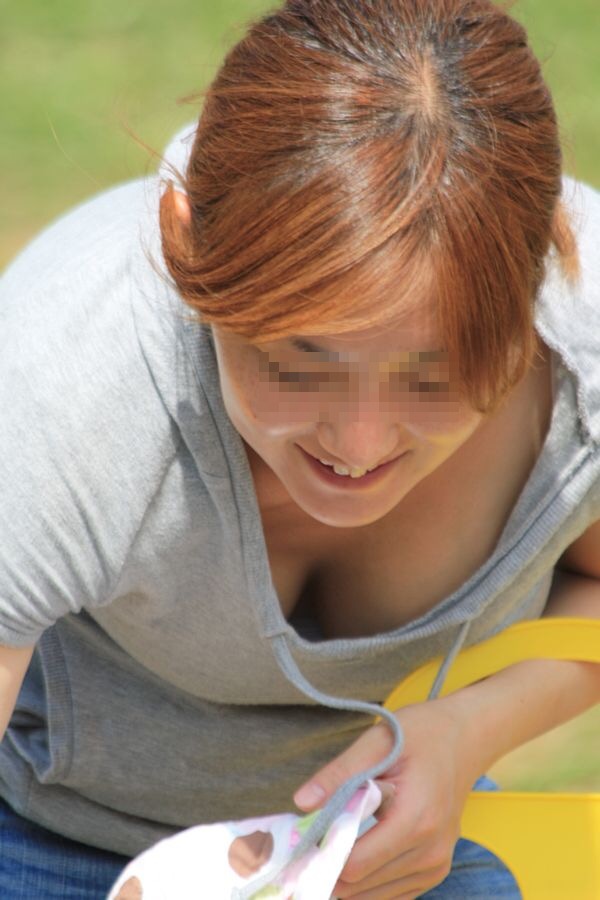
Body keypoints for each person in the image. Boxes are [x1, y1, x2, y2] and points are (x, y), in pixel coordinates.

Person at [1, 0, 600, 897]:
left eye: (434, 376)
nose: (358, 443)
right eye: (297, 362)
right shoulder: (61, 377)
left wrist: (468, 731)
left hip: (374, 844)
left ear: (536, 287)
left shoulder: (585, 359)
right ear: (181, 243)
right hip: (47, 835)